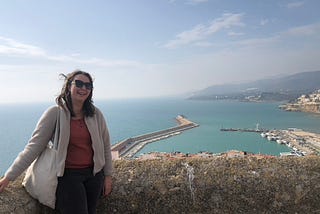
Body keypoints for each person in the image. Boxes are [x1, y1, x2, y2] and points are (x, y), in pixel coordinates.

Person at [0, 70, 113, 214]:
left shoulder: (96, 114)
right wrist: (9, 177)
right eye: (79, 83)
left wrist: (108, 176)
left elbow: (105, 146)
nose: (83, 88)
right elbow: (34, 147)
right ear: (68, 86)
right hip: (68, 176)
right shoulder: (55, 113)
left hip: (94, 176)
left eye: (88, 85)